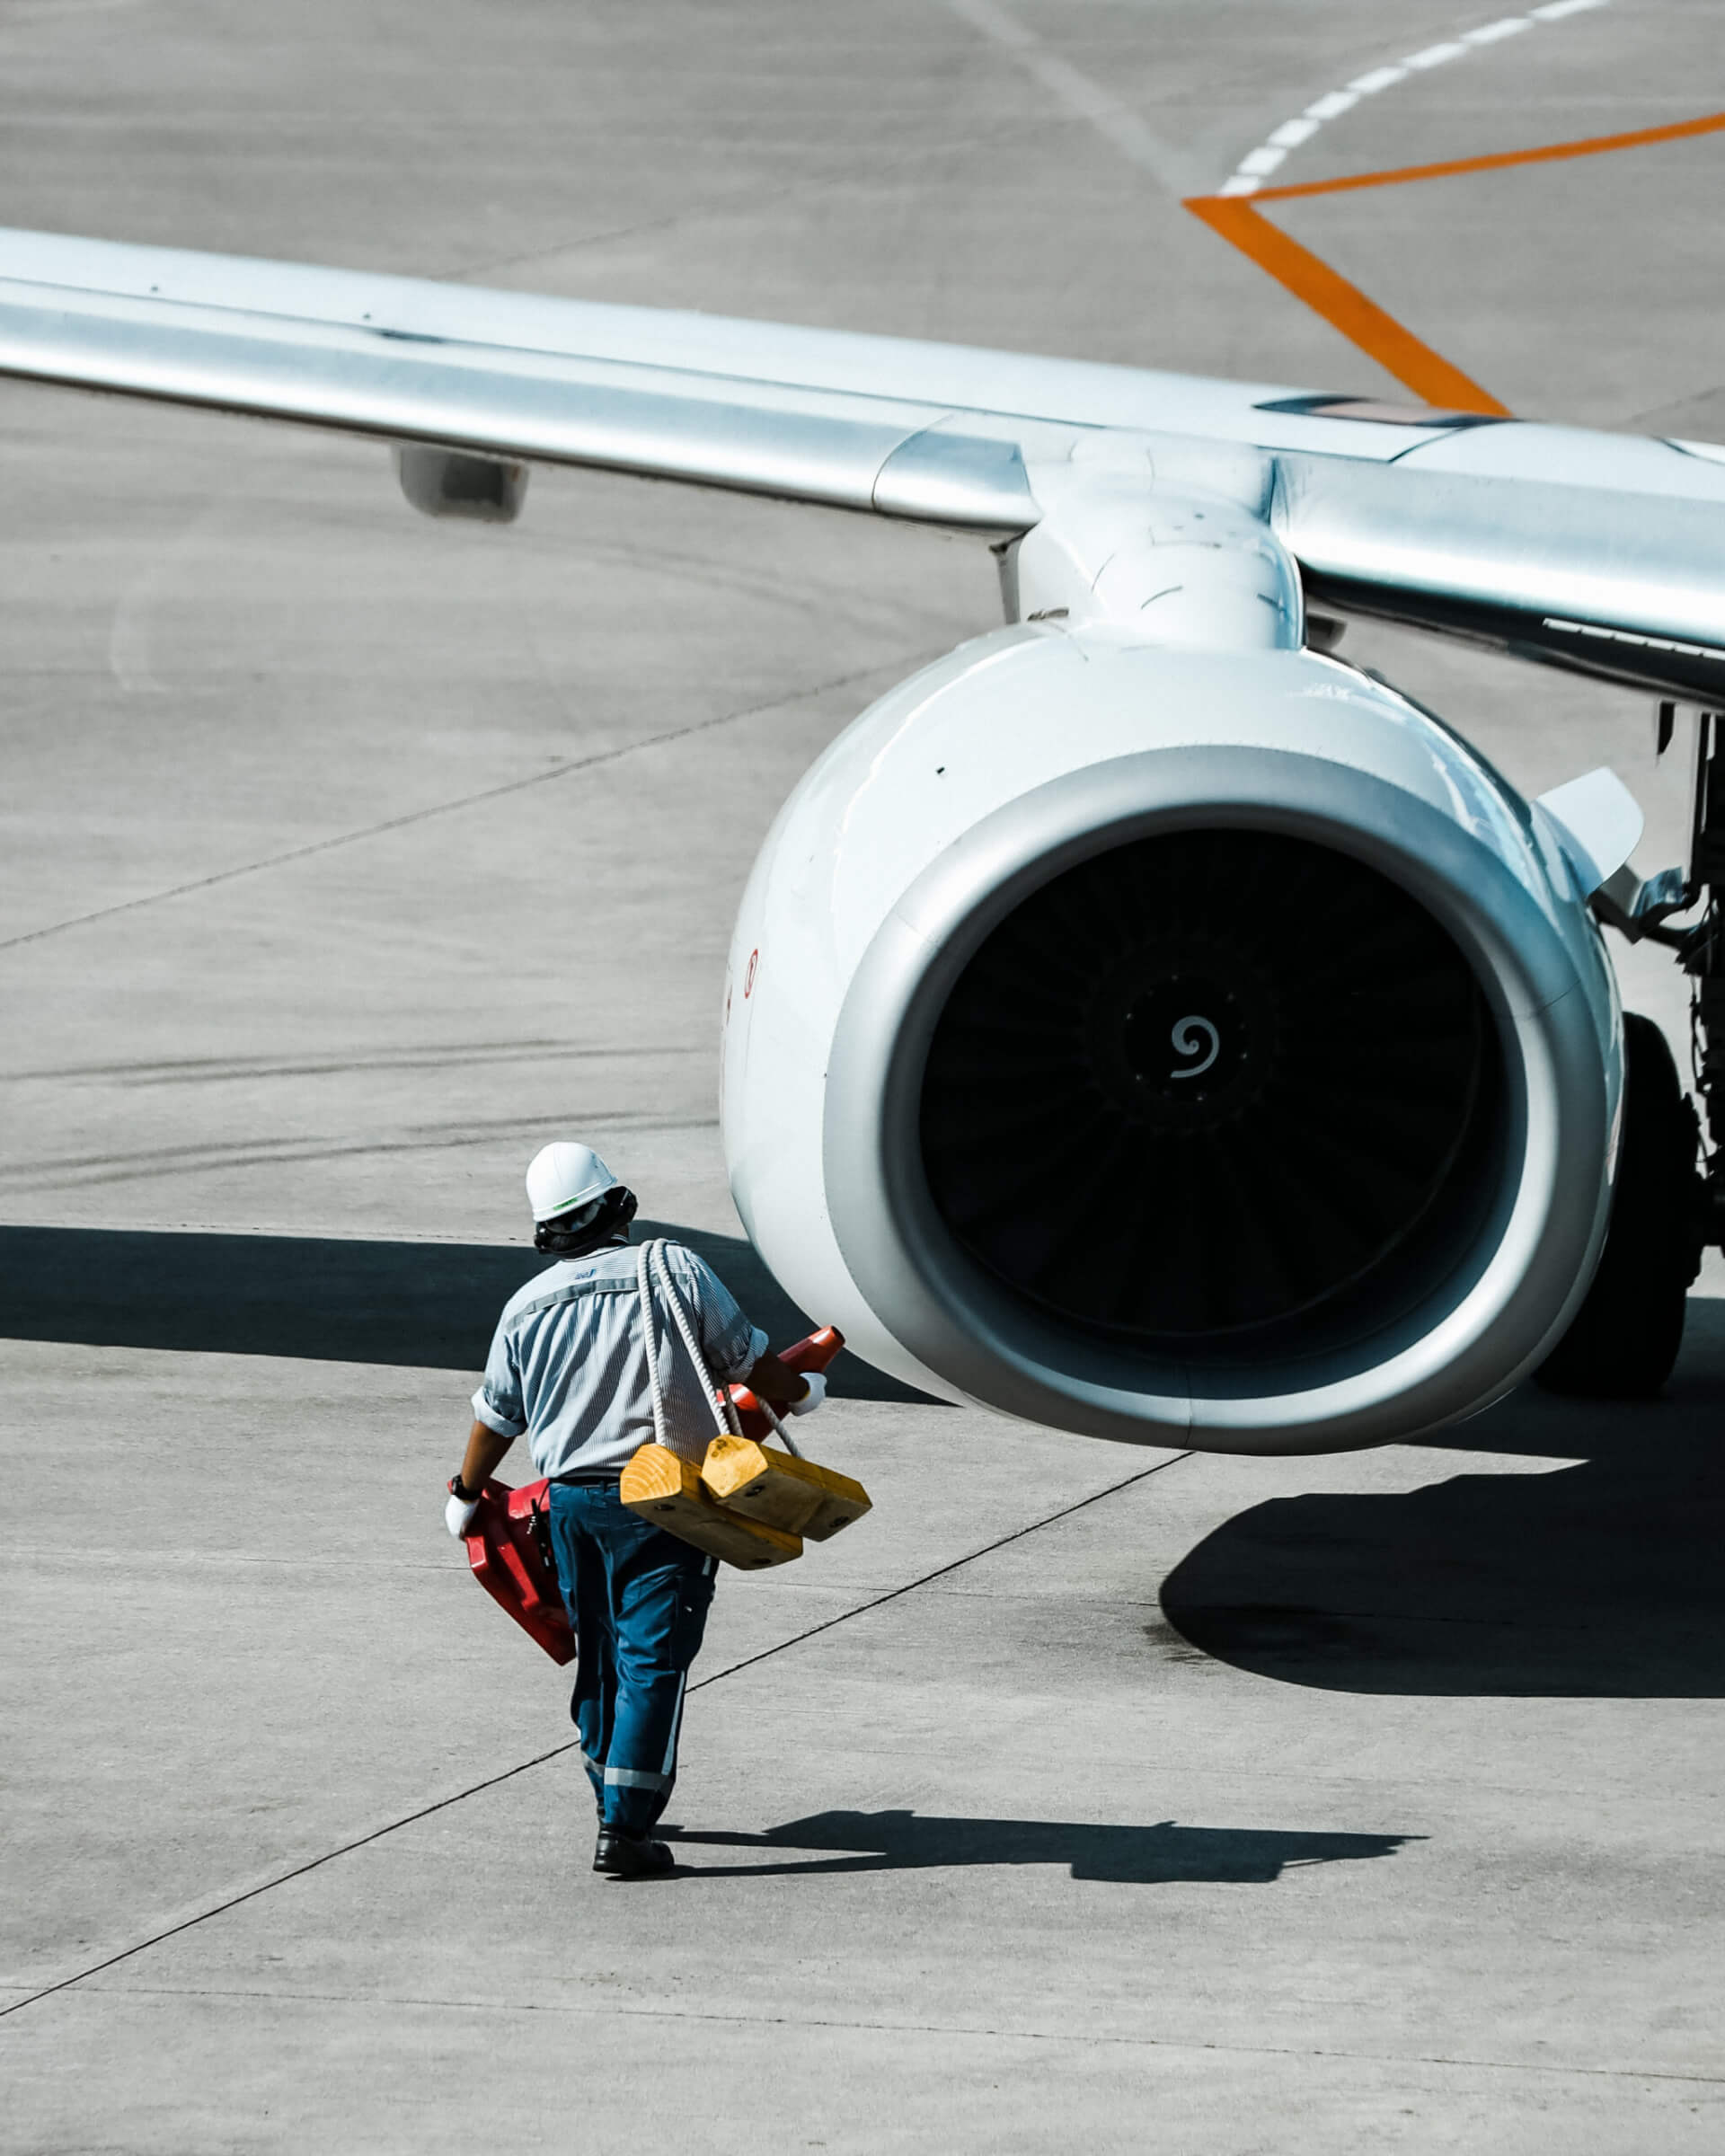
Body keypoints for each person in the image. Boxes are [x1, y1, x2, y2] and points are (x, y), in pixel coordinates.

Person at [445, 1142, 825, 1879]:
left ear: (546, 1232)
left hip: (568, 1507)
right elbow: (747, 1363)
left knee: (601, 1656)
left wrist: (464, 1494)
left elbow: (496, 1418)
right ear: (619, 1205)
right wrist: (801, 1393)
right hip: (661, 1498)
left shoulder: (525, 1307)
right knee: (655, 1658)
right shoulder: (672, 1269)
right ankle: (623, 1829)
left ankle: (611, 1796)